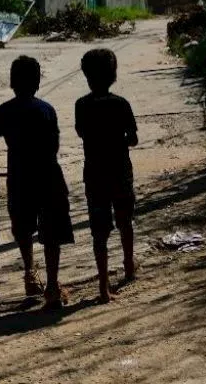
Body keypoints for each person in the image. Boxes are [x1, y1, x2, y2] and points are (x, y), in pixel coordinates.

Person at [0, 55, 73, 308]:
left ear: (12, 82)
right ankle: (52, 286)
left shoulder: (4, 111)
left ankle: (30, 271)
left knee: (23, 228)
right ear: (38, 82)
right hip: (48, 177)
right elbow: (54, 146)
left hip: (20, 179)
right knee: (51, 234)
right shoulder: (46, 110)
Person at [75, 47, 138, 303]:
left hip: (95, 173)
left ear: (87, 77)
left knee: (99, 232)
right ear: (113, 75)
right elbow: (132, 138)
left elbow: (81, 133)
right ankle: (128, 264)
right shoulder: (121, 104)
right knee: (125, 221)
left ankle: (103, 285)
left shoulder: (81, 105)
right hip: (120, 170)